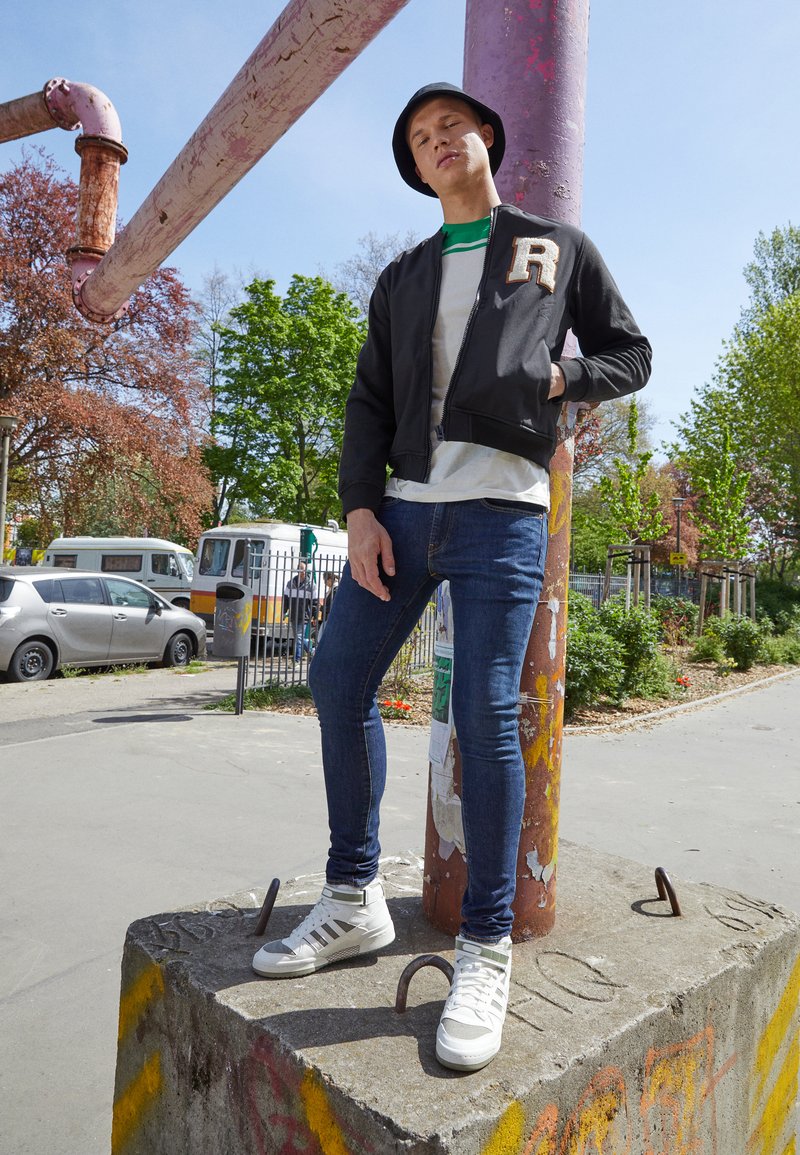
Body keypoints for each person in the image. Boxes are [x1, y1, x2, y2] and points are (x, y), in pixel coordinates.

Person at [253, 82, 652, 1072]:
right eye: (420, 138)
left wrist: (562, 379)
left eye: (451, 127)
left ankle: (483, 945)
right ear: (415, 164)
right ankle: (353, 901)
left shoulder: (552, 248)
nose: (438, 142)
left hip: (501, 516)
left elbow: (630, 353)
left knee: (482, 716)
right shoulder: (403, 275)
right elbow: (367, 398)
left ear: (485, 138)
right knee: (337, 680)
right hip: (404, 513)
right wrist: (357, 510)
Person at [283, 563, 316, 661]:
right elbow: (286, 599)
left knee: (299, 636)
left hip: (304, 615)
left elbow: (314, 602)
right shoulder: (290, 583)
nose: (303, 572)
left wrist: (314, 615)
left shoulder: (311, 585)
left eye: (304, 570)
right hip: (293, 614)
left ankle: (296, 659)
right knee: (298, 637)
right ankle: (312, 651)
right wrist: (284, 611)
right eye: (301, 569)